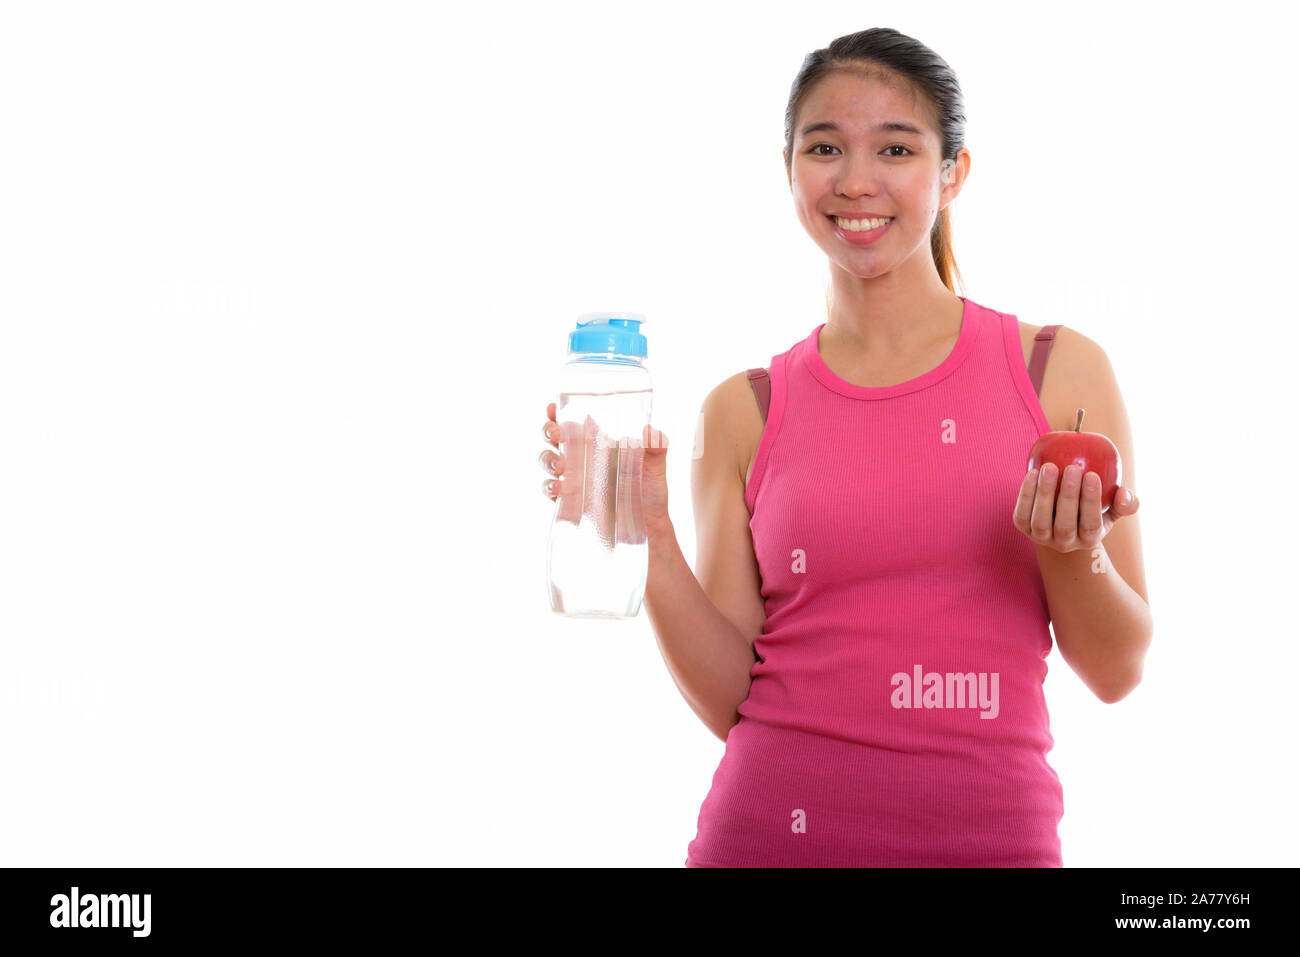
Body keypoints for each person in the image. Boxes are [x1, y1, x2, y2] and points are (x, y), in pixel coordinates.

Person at [538, 26, 1152, 867]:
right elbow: (734, 700)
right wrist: (650, 536)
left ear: (953, 173)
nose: (856, 181)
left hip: (990, 847)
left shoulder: (1056, 372)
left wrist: (1072, 552)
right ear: (789, 168)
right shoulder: (743, 409)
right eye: (824, 147)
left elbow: (1117, 671)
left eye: (895, 148)